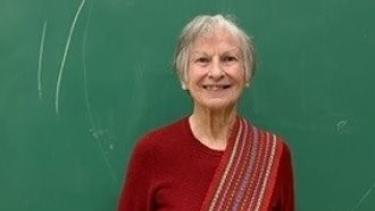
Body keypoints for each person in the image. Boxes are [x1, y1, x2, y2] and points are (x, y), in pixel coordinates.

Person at [118, 14, 295, 211]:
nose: (216, 72)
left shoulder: (272, 154)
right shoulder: (152, 152)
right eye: (203, 60)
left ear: (247, 74)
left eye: (229, 59)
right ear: (184, 76)